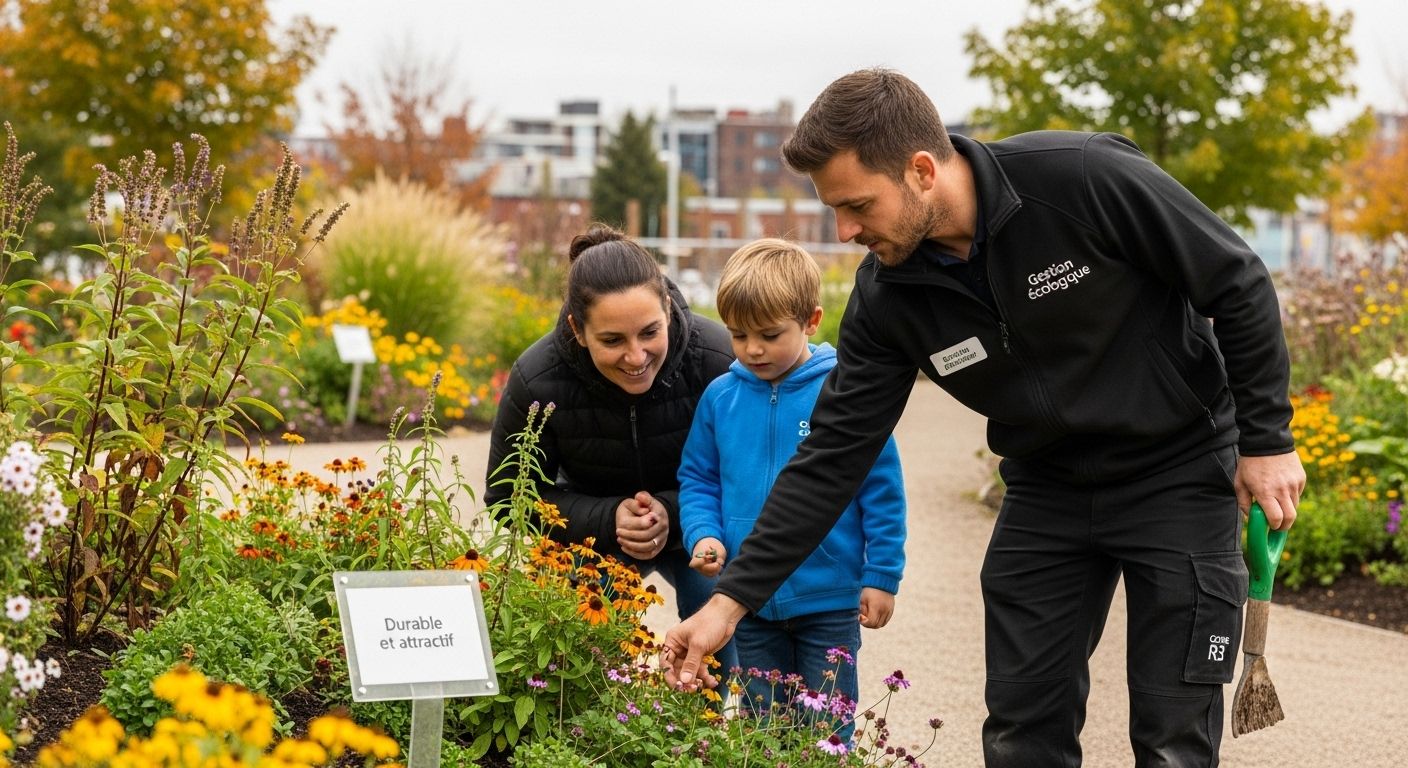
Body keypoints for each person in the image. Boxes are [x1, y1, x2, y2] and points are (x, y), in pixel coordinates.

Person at [662, 68, 1305, 767]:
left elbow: (1236, 279)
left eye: (857, 205)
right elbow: (833, 455)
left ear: (921, 170)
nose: (845, 231)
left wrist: (1266, 441)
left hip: (1178, 471)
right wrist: (729, 605)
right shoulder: (889, 297)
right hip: (1046, 489)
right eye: (835, 211)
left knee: (1173, 735)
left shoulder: (1083, 179)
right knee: (1021, 733)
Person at [676, 239, 906, 736]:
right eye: (738, 335)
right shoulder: (721, 398)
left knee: (827, 726)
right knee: (764, 726)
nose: (753, 349)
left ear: (811, 320)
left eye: (769, 334)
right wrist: (704, 535)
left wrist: (882, 574)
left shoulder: (843, 393)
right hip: (750, 603)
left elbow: (882, 489)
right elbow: (698, 478)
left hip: (829, 600)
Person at [486, 224, 737, 670]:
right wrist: (610, 518)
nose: (636, 356)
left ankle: (711, 730)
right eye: (612, 340)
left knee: (721, 632)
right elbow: (509, 497)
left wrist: (672, 511)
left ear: (666, 307)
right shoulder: (537, 378)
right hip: (596, 534)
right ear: (577, 331)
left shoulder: (718, 359)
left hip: (704, 525)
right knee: (573, 651)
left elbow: (753, 475)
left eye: (648, 332)